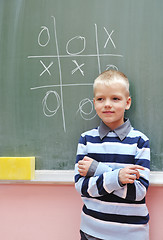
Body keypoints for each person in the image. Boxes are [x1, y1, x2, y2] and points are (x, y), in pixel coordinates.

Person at [74, 70, 150, 240]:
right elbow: (83, 188)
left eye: (115, 98)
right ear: (94, 103)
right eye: (101, 99)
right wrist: (119, 177)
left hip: (132, 234)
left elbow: (138, 192)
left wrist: (97, 170)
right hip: (91, 231)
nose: (107, 104)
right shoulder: (86, 140)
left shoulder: (140, 141)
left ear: (127, 102)